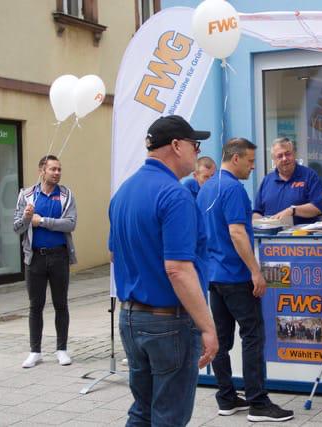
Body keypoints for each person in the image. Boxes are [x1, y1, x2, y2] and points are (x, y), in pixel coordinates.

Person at [108, 115, 219, 427]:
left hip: (131, 318)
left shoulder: (123, 192)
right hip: (168, 322)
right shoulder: (175, 195)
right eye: (195, 145)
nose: (197, 152)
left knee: (142, 412)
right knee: (168, 417)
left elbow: (114, 254)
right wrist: (208, 327)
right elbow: (178, 270)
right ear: (176, 145)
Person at [197, 138, 294, 423]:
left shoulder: (207, 187)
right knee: (253, 335)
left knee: (222, 339)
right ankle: (258, 402)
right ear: (236, 158)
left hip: (214, 275)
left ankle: (226, 397)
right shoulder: (233, 189)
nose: (253, 167)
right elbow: (237, 233)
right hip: (236, 275)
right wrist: (255, 271)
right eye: (250, 161)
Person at [13, 155, 77, 369]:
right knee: (35, 305)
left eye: (59, 169)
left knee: (61, 304)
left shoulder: (66, 195)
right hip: (35, 258)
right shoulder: (27, 195)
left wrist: (41, 221)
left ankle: (62, 349)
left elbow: (70, 224)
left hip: (59, 256)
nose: (57, 173)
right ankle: (35, 352)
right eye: (53, 169)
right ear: (42, 171)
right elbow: (16, 228)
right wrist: (26, 217)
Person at [253, 137, 322, 225]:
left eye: (288, 154)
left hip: (301, 233)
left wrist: (293, 210)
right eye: (280, 156)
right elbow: (257, 212)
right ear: (274, 160)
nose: (284, 158)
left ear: (294, 154)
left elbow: (318, 207)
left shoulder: (309, 176)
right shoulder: (267, 180)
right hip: (271, 233)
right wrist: (259, 223)